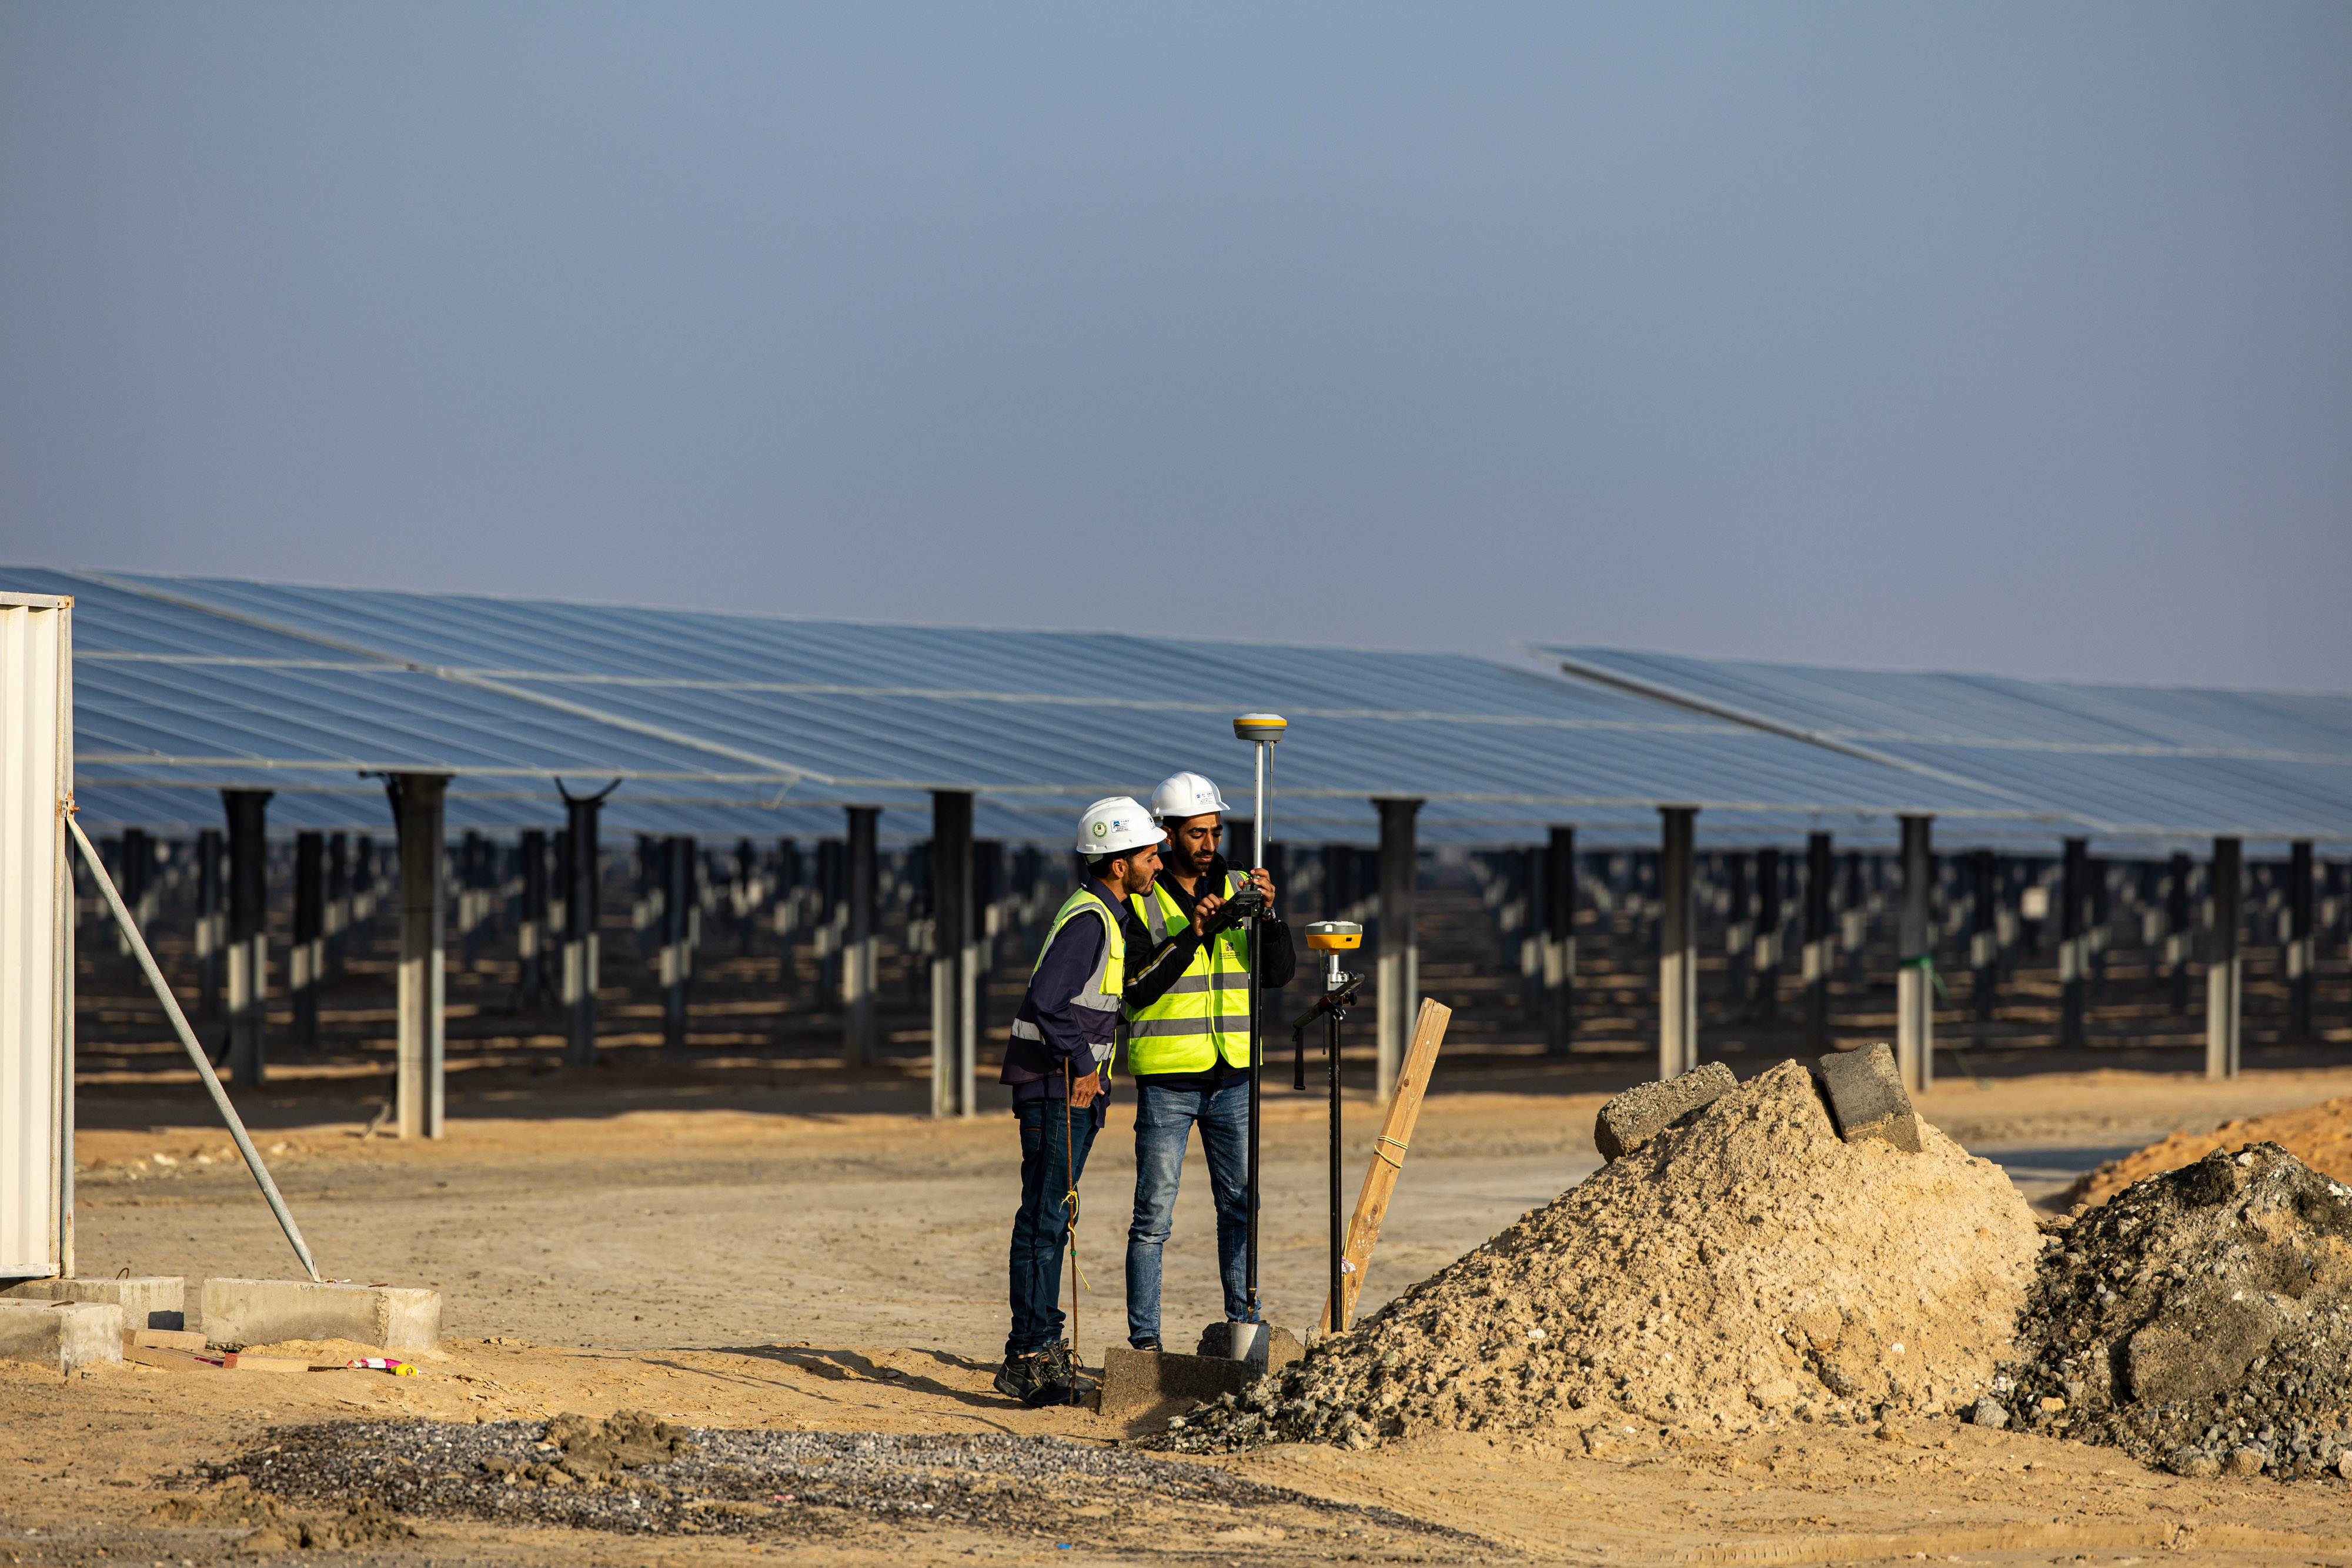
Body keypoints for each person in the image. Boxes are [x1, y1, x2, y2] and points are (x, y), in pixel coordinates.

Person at [994, 794, 1210, 1405]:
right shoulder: (1092, 920)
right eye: (1148, 855)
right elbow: (1046, 999)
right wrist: (1085, 1065)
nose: (1157, 865)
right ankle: (1027, 1355)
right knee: (1042, 1220)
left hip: (1066, 1088)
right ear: (1118, 864)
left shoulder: (1104, 916)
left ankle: (1039, 1344)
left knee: (1052, 1218)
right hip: (1056, 1087)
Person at [1121, 770, 1295, 1352]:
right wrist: (1192, 935)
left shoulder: (1244, 882)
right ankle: (1145, 1345)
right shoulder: (1143, 898)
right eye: (1195, 833)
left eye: (1215, 830)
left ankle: (1244, 1331)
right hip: (1168, 1080)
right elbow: (1136, 990)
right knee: (1152, 1218)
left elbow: (1278, 974)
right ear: (1167, 835)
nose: (1208, 843)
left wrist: (1269, 917)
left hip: (1235, 1076)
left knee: (1242, 1208)